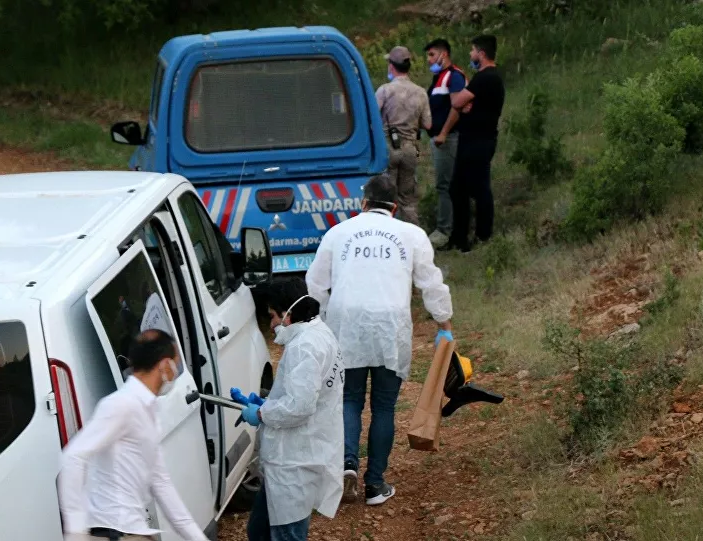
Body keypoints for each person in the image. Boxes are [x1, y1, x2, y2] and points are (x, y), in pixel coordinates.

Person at [305, 173, 454, 506]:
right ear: (395, 207)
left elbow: (315, 283)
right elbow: (431, 284)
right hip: (391, 325)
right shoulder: (412, 235)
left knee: (349, 401)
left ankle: (346, 465)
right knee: (384, 407)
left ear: (363, 203)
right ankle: (375, 485)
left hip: (347, 325)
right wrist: (444, 324)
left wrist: (326, 316)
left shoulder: (337, 233)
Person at [57, 329, 209, 541]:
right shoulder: (121, 405)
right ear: (164, 365)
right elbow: (73, 456)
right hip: (115, 531)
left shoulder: (147, 409)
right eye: (176, 363)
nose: (176, 371)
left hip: (133, 531)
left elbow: (161, 482)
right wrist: (75, 533)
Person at [234, 278, 344, 541]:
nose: (271, 324)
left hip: (294, 463)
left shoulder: (303, 347)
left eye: (272, 316)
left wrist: (261, 413)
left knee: (287, 534)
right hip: (301, 453)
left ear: (288, 313)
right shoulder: (319, 334)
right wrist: (269, 402)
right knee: (258, 532)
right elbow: (305, 393)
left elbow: (300, 406)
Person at [448, 35, 506, 253]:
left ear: (481, 54)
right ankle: (461, 237)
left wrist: (464, 103)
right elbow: (465, 104)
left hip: (478, 142)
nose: (470, 55)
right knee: (460, 189)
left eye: (473, 51)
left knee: (478, 188)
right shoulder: (491, 79)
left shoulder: (484, 78)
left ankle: (483, 235)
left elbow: (456, 101)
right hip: (476, 140)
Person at [375, 45, 433, 227]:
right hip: (409, 149)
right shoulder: (421, 92)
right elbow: (428, 124)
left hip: (388, 148)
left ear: (392, 66)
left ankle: (387, 236)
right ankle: (414, 236)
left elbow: (373, 118)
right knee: (408, 199)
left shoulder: (384, 90)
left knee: (386, 199)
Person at [424, 38, 468, 249]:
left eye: (432, 55)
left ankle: (444, 230)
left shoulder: (454, 77)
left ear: (444, 54)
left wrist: (443, 133)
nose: (429, 60)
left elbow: (457, 107)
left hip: (448, 140)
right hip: (439, 139)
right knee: (445, 184)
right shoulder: (438, 78)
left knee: (446, 185)